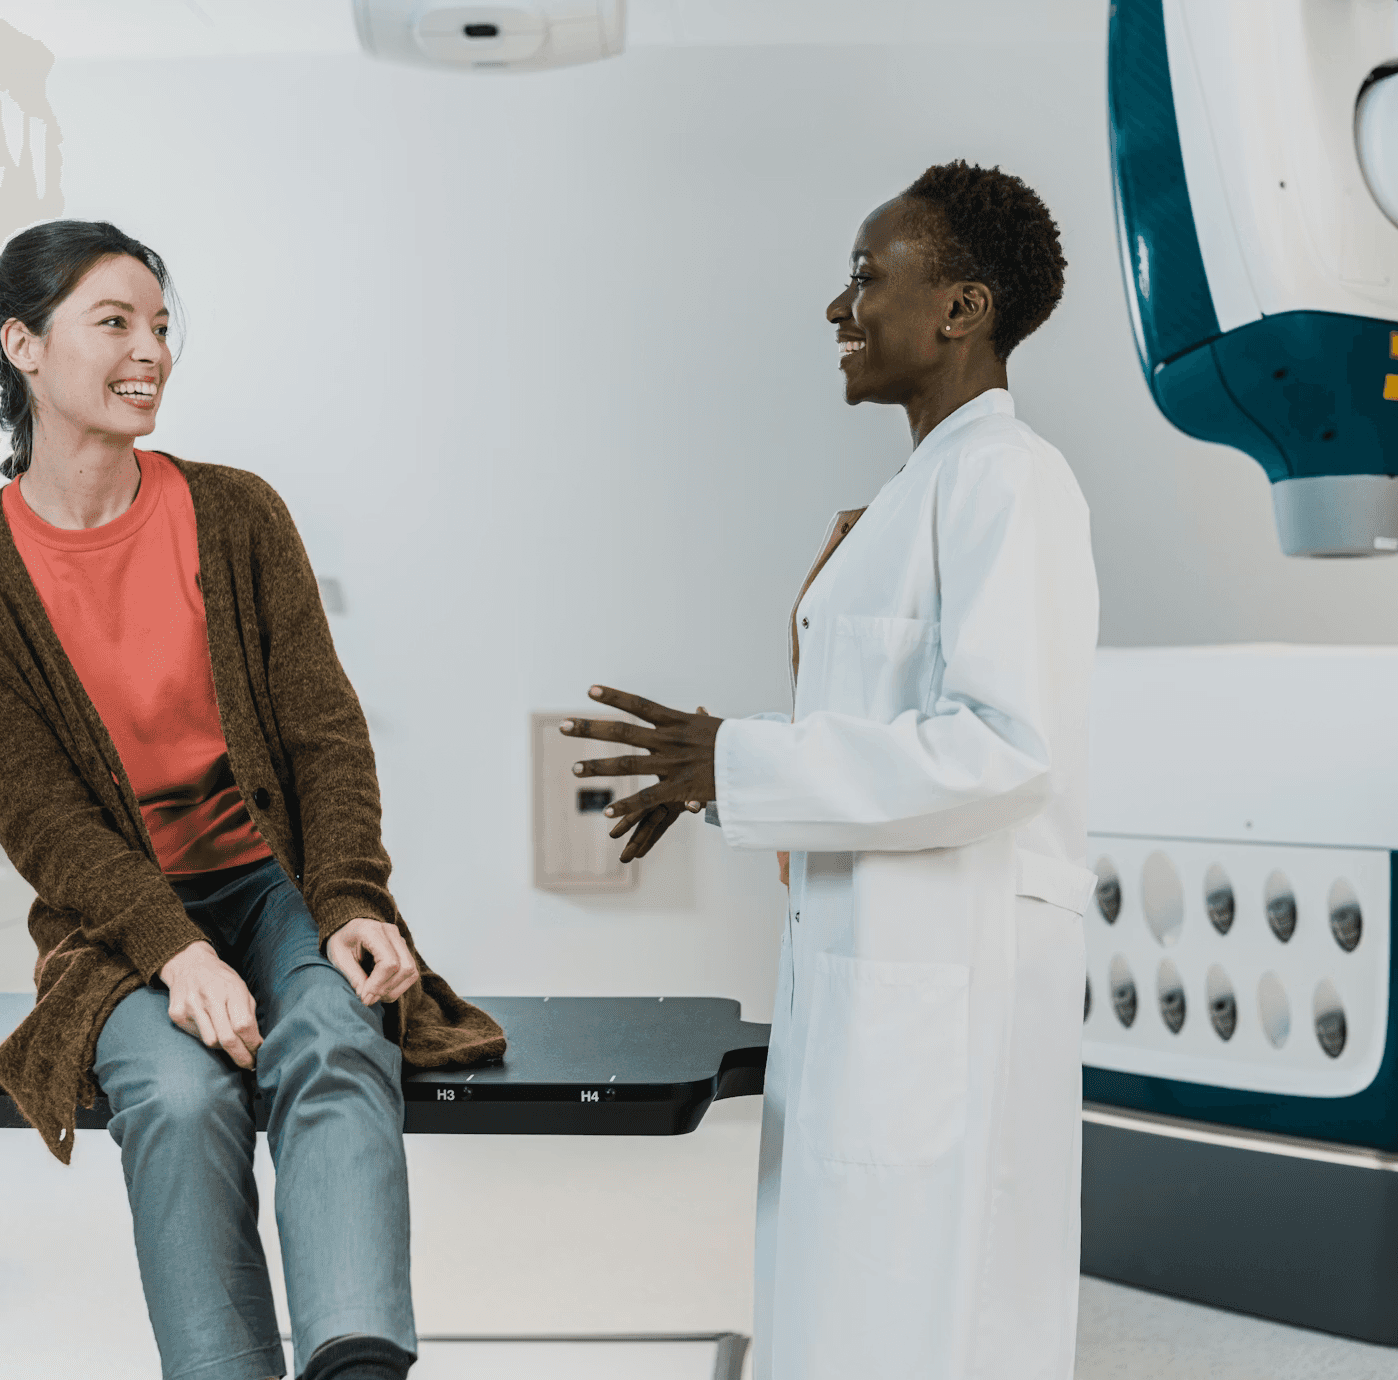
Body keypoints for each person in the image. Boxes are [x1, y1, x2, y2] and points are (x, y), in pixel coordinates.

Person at [0, 220, 505, 1380]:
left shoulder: (237, 515)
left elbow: (323, 731)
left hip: (272, 883)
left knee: (334, 1033)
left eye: (161, 326)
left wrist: (350, 900)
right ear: (23, 345)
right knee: (179, 1100)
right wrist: (177, 952)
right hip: (118, 924)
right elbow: (43, 820)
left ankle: (358, 1367)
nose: (152, 353)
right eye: (115, 323)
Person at [561, 161, 1098, 1379]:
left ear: (962, 307)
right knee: (848, 1302)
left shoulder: (1009, 480)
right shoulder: (922, 493)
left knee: (921, 1317)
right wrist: (718, 778)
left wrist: (735, 761)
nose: (836, 308)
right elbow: (881, 737)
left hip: (942, 990)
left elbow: (1005, 750)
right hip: (881, 978)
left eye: (865, 277)